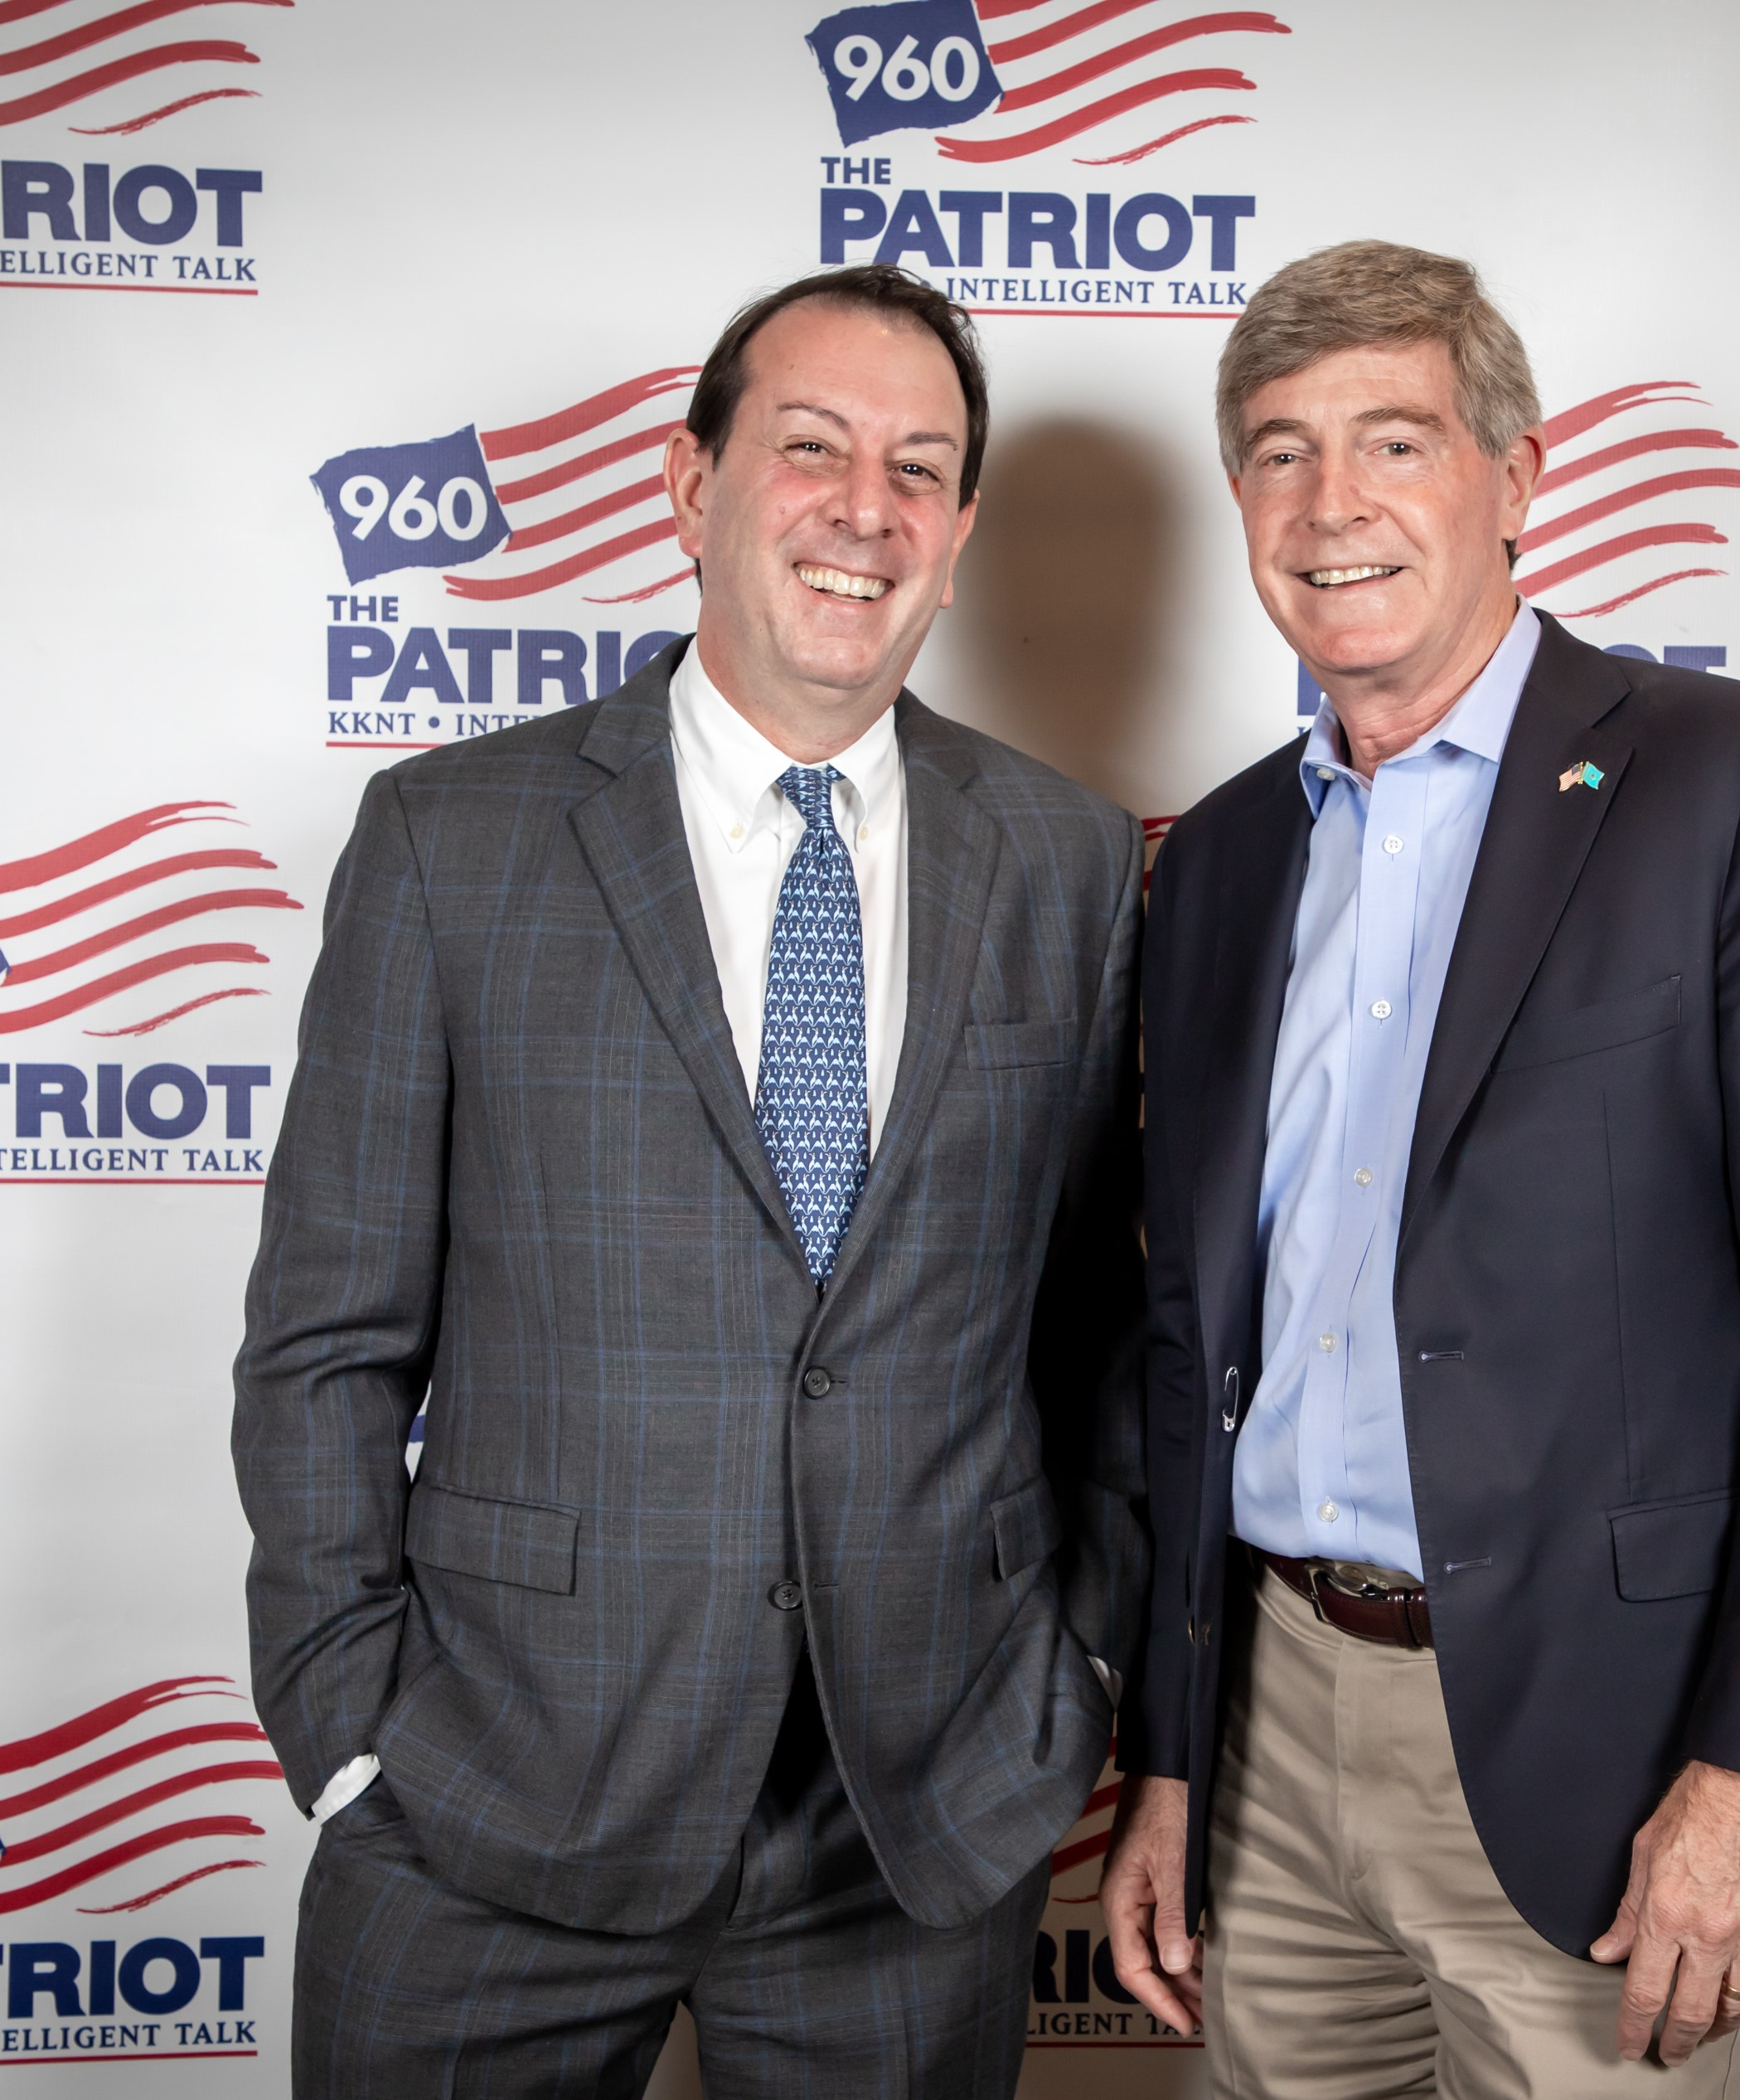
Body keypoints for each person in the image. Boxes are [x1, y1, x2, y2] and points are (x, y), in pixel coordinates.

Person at [233, 264, 1146, 2099]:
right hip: (491, 1797)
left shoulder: (1068, 860)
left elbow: (1103, 1329)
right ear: (690, 484)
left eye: (918, 469)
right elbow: (327, 1339)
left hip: (913, 1829)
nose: (864, 510)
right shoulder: (450, 841)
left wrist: (1082, 1684)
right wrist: (350, 1727)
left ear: (961, 533)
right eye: (811, 448)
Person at [1101, 240, 1740, 2098]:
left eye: (1395, 442)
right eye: (1280, 452)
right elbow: (1183, 1338)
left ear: (1517, 475)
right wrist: (1166, 1753)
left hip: (1616, 1755)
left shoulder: (1737, 779)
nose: (1332, 504)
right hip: (1267, 1730)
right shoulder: (1223, 857)